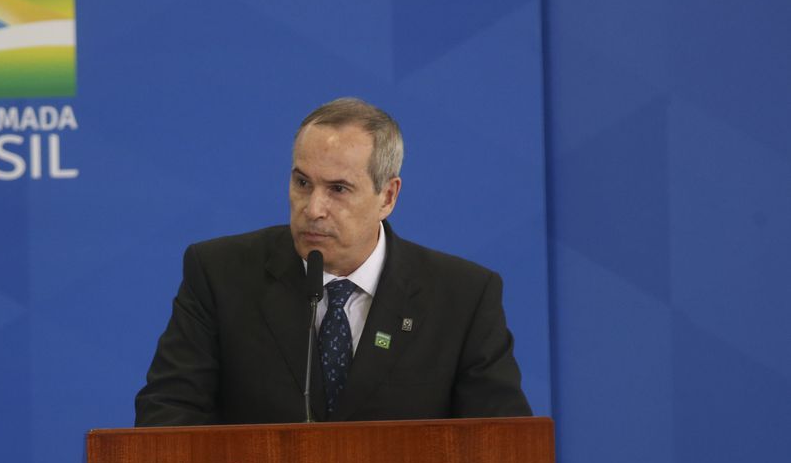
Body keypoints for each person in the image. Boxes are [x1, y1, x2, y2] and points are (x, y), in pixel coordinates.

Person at [135, 98, 531, 427]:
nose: (313, 208)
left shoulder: (462, 298)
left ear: (388, 197)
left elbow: (501, 449)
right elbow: (167, 418)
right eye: (302, 183)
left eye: (338, 189)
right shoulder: (220, 274)